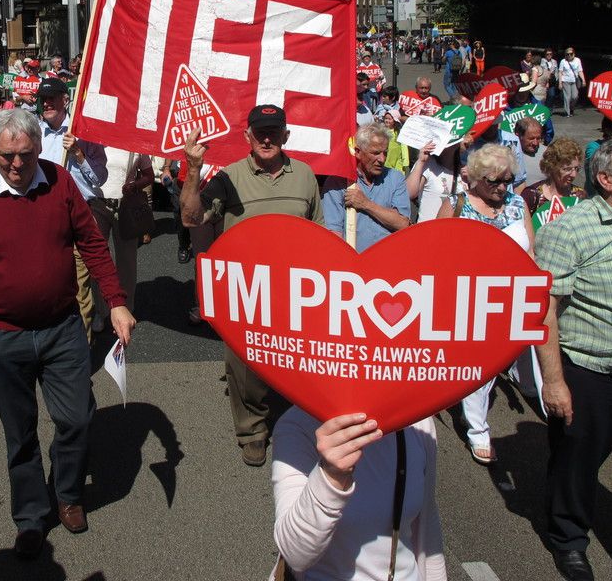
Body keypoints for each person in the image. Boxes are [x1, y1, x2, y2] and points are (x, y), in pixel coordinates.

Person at [0, 109, 135, 558]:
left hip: (62, 328)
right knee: (21, 433)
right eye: (7, 156)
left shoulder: (59, 182)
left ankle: (68, 494)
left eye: (26, 155)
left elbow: (91, 242)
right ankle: (31, 516)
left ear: (38, 148)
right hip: (3, 338)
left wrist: (116, 300)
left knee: (75, 419)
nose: (17, 165)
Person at [180, 104, 324, 467]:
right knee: (245, 365)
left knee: (299, 363)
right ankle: (253, 431)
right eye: (259, 131)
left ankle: (302, 421)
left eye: (274, 131)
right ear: (247, 137)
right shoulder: (228, 177)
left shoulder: (306, 175)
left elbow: (319, 233)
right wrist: (194, 171)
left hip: (296, 288)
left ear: (286, 136)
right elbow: (190, 216)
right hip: (245, 289)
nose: (266, 138)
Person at [534, 137, 612, 581]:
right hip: (591, 376)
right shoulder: (571, 230)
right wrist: (554, 381)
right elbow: (545, 310)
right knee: (575, 469)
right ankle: (568, 538)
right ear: (606, 180)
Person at [437, 145, 534, 465]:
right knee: (480, 366)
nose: (503, 187)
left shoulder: (518, 204)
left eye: (508, 179)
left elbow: (530, 254)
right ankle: (478, 428)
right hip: (469, 301)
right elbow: (436, 256)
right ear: (476, 177)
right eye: (495, 181)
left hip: (512, 299)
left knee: (503, 362)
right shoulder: (455, 204)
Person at [271, 410, 446, 581]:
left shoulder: (418, 423)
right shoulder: (298, 425)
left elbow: (427, 523)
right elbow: (295, 555)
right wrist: (331, 476)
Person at [37, 77, 108, 337]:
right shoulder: (34, 132)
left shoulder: (85, 131)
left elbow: (100, 178)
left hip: (78, 218)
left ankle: (81, 352)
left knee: (80, 290)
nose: (47, 103)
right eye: (43, 99)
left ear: (65, 99)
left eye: (52, 98)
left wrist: (78, 153)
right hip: (42, 220)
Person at [88, 146, 155, 331]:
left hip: (126, 207)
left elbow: (149, 176)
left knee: (127, 261)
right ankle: (101, 311)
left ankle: (126, 308)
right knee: (97, 259)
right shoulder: (95, 141)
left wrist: (135, 185)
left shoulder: (135, 144)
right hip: (97, 205)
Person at [321, 122, 410, 251]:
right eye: (376, 153)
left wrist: (366, 204)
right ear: (358, 152)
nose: (382, 159)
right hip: (352, 263)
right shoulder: (337, 182)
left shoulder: (395, 178)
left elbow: (402, 223)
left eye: (385, 153)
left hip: (389, 260)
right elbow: (333, 233)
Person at [522, 137, 585, 215]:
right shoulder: (532, 195)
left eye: (576, 168)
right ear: (552, 166)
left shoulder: (580, 195)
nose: (574, 174)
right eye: (567, 169)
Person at [513, 116, 546, 185]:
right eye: (531, 138)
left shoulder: (548, 153)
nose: (535, 143)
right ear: (518, 136)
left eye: (538, 138)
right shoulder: (508, 156)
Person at [558, 47, 586, 117]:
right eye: (567, 54)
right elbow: (560, 72)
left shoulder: (577, 60)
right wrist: (560, 83)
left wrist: (583, 80)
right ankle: (567, 112)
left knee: (575, 96)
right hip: (565, 80)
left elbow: (580, 71)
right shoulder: (563, 61)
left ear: (574, 54)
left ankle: (571, 108)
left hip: (574, 81)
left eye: (571, 54)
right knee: (567, 97)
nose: (569, 55)